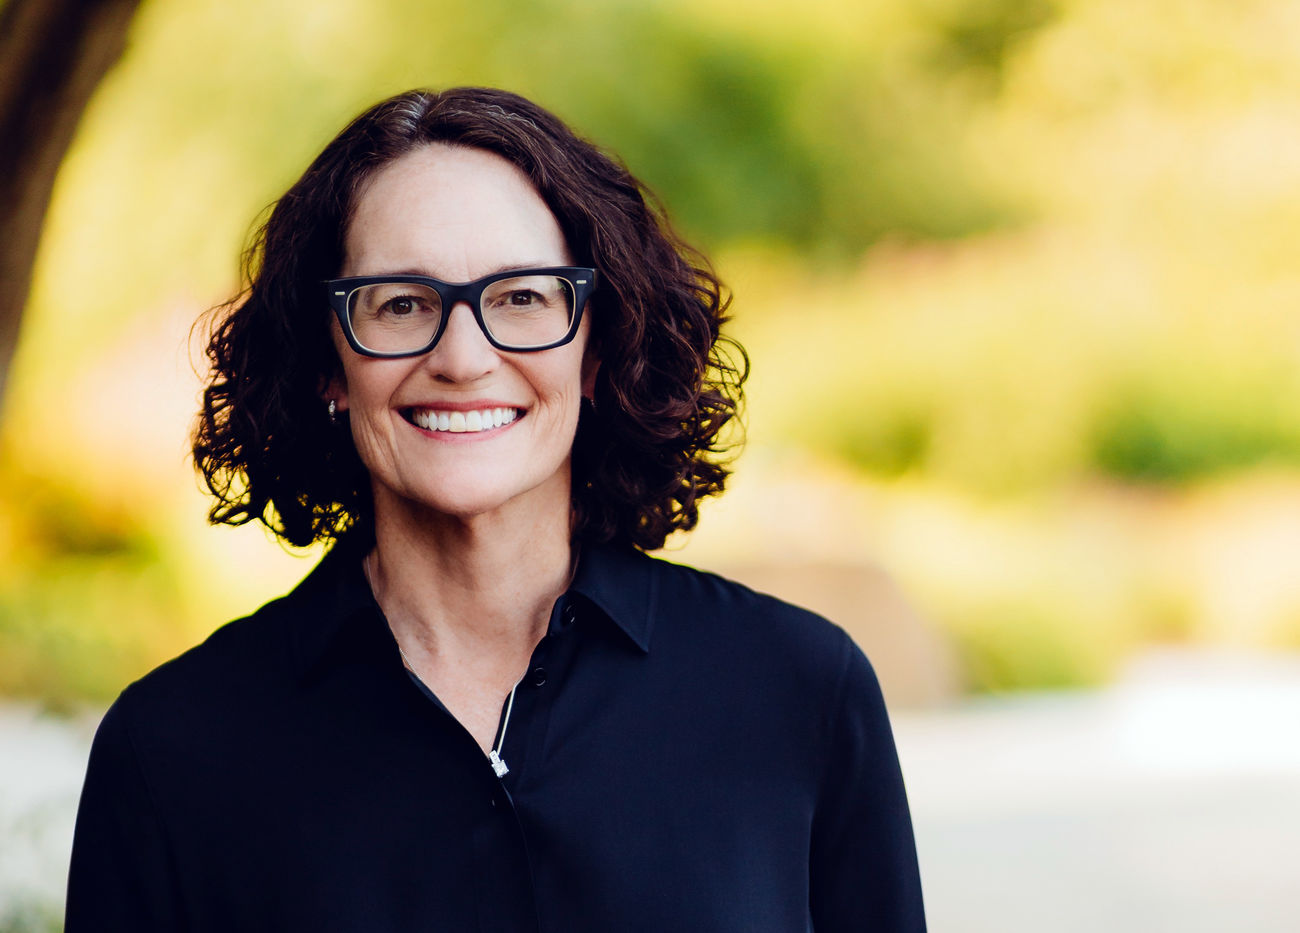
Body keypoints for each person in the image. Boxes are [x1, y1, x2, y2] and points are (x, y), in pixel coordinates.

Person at [66, 87, 925, 931]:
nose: (464, 357)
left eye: (522, 297)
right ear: (327, 363)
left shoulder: (799, 691)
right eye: (401, 304)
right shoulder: (172, 751)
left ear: (597, 346)